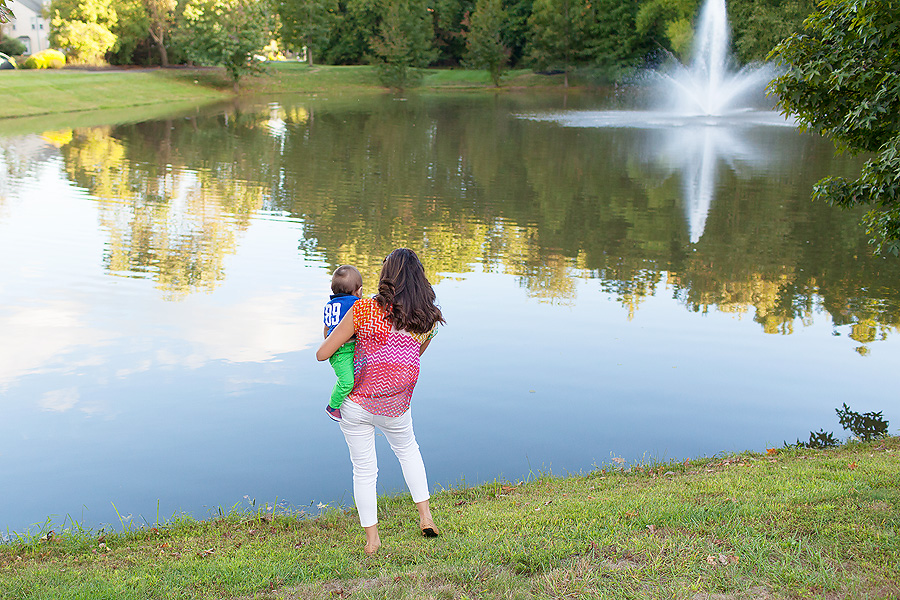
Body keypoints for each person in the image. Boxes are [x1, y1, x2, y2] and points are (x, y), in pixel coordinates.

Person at [316, 248, 445, 555]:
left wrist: (340, 337)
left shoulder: (363, 309)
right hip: (396, 406)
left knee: (364, 469)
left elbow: (322, 353)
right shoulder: (427, 319)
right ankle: (425, 517)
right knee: (409, 452)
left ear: (387, 276)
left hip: (357, 403)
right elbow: (412, 355)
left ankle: (373, 540)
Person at [322, 265, 364, 421]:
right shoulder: (354, 304)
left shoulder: (329, 306)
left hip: (337, 349)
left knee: (351, 378)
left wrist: (328, 344)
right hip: (342, 351)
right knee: (347, 382)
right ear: (358, 291)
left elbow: (326, 328)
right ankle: (333, 406)